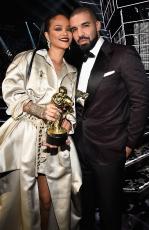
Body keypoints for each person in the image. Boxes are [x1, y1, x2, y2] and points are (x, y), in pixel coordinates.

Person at [0, 12, 82, 230]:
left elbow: (71, 109)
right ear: (47, 34)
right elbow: (11, 91)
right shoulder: (28, 58)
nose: (65, 33)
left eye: (69, 29)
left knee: (49, 200)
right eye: (58, 28)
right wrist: (39, 109)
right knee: (22, 198)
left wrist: (68, 123)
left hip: (55, 142)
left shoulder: (72, 71)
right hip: (26, 138)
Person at [69, 6, 149, 230]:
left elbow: (141, 102)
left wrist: (129, 143)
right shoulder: (76, 60)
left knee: (109, 212)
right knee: (85, 208)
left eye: (85, 26)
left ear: (97, 25)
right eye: (74, 29)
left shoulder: (123, 55)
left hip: (110, 149)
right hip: (80, 148)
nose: (79, 34)